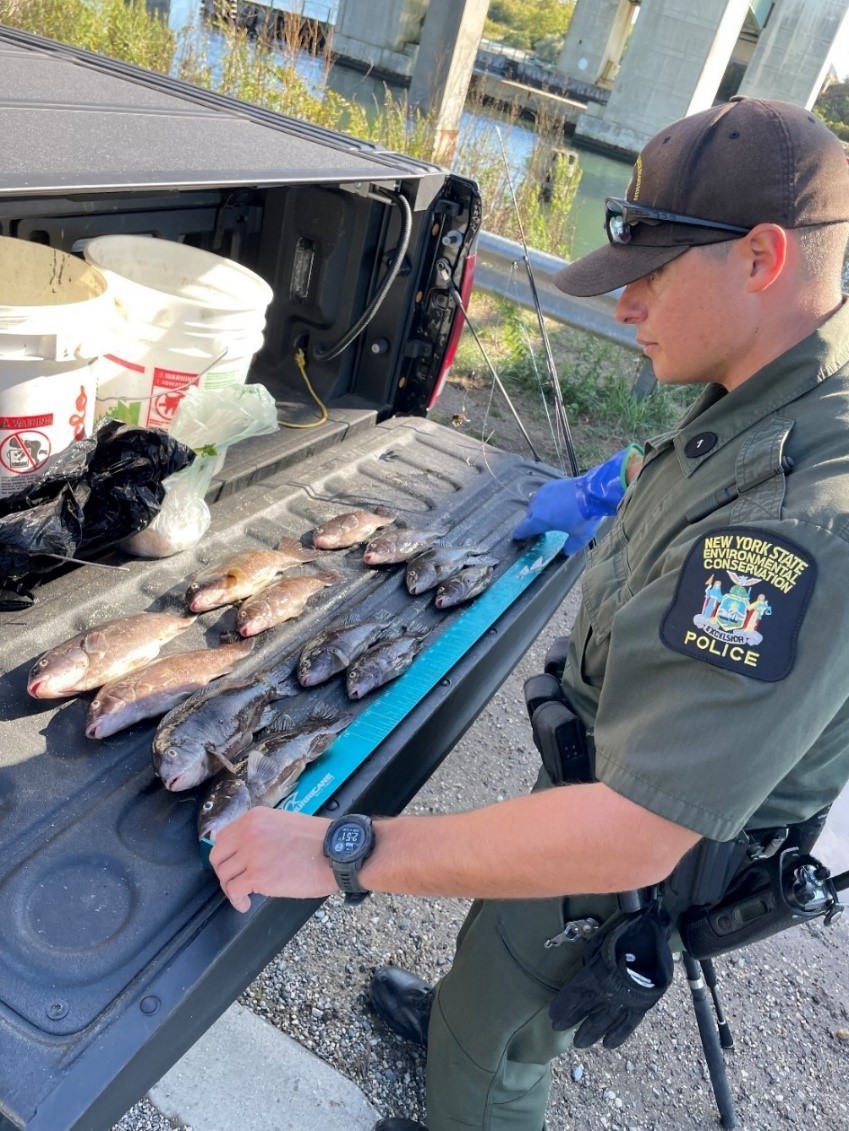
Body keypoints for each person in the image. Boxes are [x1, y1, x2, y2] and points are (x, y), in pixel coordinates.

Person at [210, 96, 849, 1131]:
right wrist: (624, 491)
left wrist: (339, 848)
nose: (626, 304)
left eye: (652, 274)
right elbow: (709, 487)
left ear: (763, 259)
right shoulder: (775, 385)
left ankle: (478, 1065)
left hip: (646, 840)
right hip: (609, 776)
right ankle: (478, 1007)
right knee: (497, 961)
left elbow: (635, 836)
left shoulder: (800, 529)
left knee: (496, 1042)